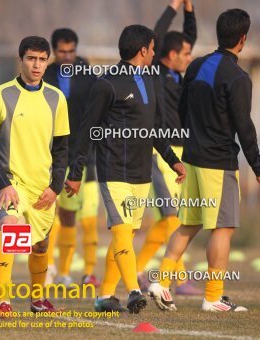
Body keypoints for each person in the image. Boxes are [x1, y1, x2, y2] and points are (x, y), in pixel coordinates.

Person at [149, 8, 260, 312]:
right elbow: (244, 127)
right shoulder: (238, 78)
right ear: (242, 39)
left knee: (189, 223)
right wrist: (259, 168)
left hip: (190, 158)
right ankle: (213, 297)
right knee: (223, 227)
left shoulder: (196, 66)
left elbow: (181, 109)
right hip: (218, 163)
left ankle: (161, 282)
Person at [65, 25, 185, 314]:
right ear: (143, 50)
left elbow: (153, 130)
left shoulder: (149, 81)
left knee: (127, 235)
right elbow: (86, 129)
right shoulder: (106, 84)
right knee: (120, 230)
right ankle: (133, 290)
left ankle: (105, 295)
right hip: (113, 169)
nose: (154, 53)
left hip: (141, 172)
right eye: (152, 48)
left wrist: (172, 160)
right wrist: (75, 172)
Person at [0, 36, 70, 315]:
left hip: (43, 187)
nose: (37, 64)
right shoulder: (0, 95)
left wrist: (55, 187)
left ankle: (37, 300)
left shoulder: (56, 98)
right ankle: (3, 301)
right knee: (10, 228)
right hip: (13, 184)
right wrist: (3, 184)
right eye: (31, 58)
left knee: (40, 246)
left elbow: (62, 147)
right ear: (21, 60)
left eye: (42, 59)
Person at [136, 0, 201, 295]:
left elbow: (189, 38)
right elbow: (157, 34)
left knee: (175, 218)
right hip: (159, 154)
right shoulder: (154, 73)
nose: (190, 57)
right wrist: (174, 6)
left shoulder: (179, 74)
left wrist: (189, 8)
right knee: (172, 217)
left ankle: (173, 276)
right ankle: (144, 271)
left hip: (180, 155)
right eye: (185, 54)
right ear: (170, 55)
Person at [43, 28, 101, 288]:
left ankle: (80, 271)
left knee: (81, 217)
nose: (67, 57)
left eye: (71, 51)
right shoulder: (46, 75)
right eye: (62, 52)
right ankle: (55, 268)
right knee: (57, 214)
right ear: (55, 52)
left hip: (84, 154)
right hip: (54, 154)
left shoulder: (88, 76)